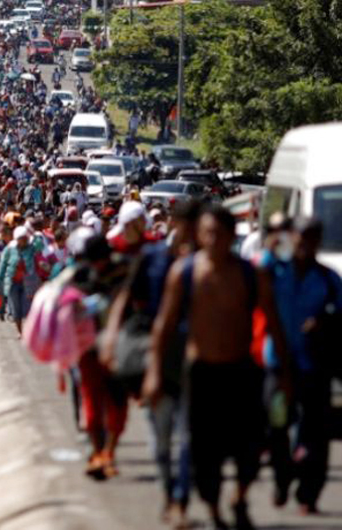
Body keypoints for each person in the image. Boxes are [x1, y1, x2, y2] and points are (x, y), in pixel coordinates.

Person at [145, 205, 291, 530]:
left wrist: (283, 371)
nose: (213, 240)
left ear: (231, 236)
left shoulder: (250, 275)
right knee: (202, 450)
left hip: (241, 372)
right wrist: (154, 373)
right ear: (199, 235)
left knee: (249, 447)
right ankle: (207, 508)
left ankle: (239, 497)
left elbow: (274, 323)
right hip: (201, 374)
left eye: (219, 234)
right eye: (207, 233)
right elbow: (163, 327)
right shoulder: (184, 272)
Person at [101, 200, 201, 527]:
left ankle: (181, 502)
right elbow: (125, 298)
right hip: (154, 355)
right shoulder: (153, 259)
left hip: (195, 357)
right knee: (160, 438)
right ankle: (169, 494)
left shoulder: (210, 265)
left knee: (189, 438)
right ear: (174, 225)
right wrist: (113, 339)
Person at [261, 217, 342, 514]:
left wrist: (323, 322)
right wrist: (272, 246)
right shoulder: (275, 270)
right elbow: (256, 271)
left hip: (314, 368)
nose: (305, 242)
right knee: (275, 427)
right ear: (291, 237)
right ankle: (283, 479)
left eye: (312, 236)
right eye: (300, 235)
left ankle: (309, 495)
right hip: (277, 364)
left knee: (316, 433)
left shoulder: (329, 279)